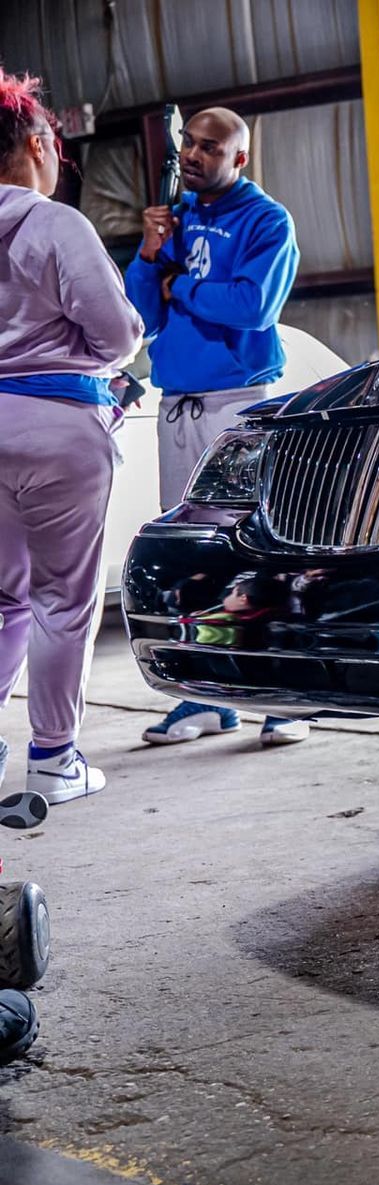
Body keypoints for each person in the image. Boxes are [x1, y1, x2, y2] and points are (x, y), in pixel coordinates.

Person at [124, 106, 308, 748]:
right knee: (189, 556)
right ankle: (205, 698)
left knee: (257, 546)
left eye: (210, 146)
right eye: (189, 144)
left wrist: (184, 286)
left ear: (240, 157)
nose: (195, 155)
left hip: (239, 400)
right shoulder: (172, 221)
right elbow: (140, 318)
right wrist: (151, 258)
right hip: (179, 402)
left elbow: (254, 307)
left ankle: (286, 697)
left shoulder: (266, 220)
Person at [0, 67, 145, 805]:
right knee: (63, 599)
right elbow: (118, 334)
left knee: (1, 600)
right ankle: (54, 760)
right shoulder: (55, 224)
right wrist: (84, 359)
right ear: (35, 143)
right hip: (58, 429)